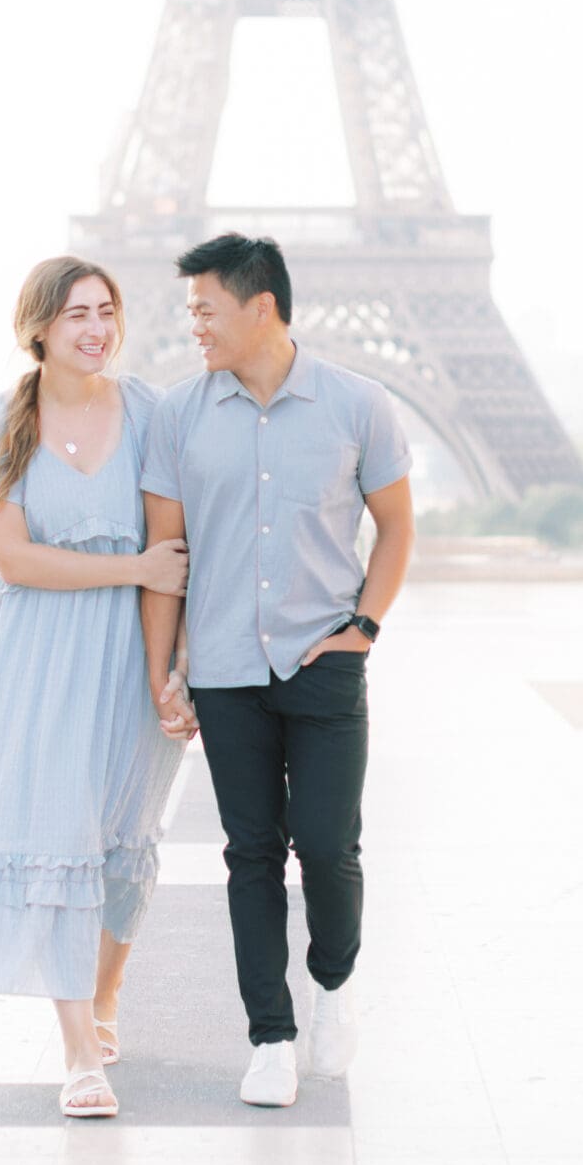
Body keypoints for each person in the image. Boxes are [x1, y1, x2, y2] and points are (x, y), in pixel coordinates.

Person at [138, 232, 415, 1107]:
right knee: (250, 855)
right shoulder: (177, 415)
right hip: (223, 668)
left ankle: (331, 984)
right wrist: (163, 668)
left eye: (205, 309)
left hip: (323, 659)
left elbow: (398, 528)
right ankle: (270, 1036)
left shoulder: (359, 404)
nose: (195, 327)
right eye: (190, 312)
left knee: (330, 848)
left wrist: (365, 626)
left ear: (262, 308)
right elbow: (166, 551)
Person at [0, 256, 192, 1119]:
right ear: (38, 326)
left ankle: (105, 1001)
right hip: (38, 658)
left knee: (122, 833)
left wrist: (165, 670)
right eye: (76, 314)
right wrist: (131, 565)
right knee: (55, 832)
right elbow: (16, 559)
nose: (95, 329)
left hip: (128, 650)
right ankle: (78, 1055)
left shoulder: (150, 413)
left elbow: (169, 558)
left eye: (107, 311)